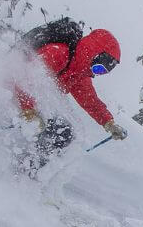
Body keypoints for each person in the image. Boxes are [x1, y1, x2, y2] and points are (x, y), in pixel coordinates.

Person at [14, 26, 128, 171]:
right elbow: (24, 77)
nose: (96, 73)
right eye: (98, 68)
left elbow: (91, 102)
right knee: (52, 129)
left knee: (63, 132)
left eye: (101, 72)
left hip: (31, 103)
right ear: (94, 53)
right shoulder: (57, 53)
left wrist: (109, 122)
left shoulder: (79, 75)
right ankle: (20, 166)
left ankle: (28, 168)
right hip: (13, 93)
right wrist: (28, 111)